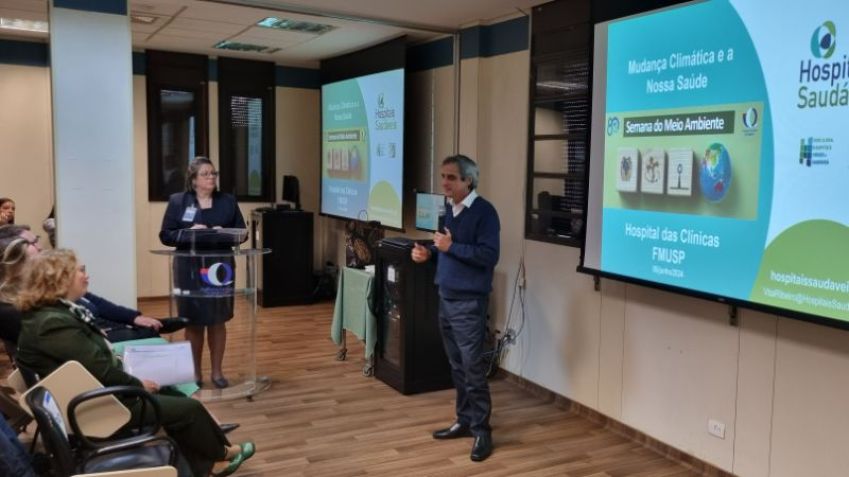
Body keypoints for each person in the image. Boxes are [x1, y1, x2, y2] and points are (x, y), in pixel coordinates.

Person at [15, 250, 255, 477]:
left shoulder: (54, 313)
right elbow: (101, 371)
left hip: (95, 394)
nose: (86, 276)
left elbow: (94, 365)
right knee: (188, 409)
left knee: (174, 395)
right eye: (80, 271)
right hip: (100, 405)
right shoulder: (52, 323)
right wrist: (138, 384)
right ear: (60, 279)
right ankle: (218, 457)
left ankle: (214, 458)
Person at [411, 155, 500, 462]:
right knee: (457, 366)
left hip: (469, 302)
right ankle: (464, 420)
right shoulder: (449, 209)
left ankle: (482, 431)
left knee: (473, 368)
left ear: (468, 181)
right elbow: (446, 247)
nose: (444, 182)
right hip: (446, 297)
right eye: (443, 176)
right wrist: (429, 253)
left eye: (451, 177)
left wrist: (451, 248)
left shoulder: (485, 212)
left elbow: (489, 255)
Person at [0, 225, 184, 345]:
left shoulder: (38, 284)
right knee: (149, 336)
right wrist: (94, 335)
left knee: (145, 331)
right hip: (84, 346)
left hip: (90, 332)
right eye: (32, 242)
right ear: (14, 256)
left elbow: (91, 301)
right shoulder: (12, 307)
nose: (40, 246)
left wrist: (133, 318)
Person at [159, 157, 246, 389]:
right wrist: (189, 231)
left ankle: (217, 372)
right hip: (189, 267)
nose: (211, 177)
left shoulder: (227, 201)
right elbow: (166, 235)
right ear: (194, 179)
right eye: (206, 174)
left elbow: (242, 232)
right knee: (193, 321)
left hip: (219, 268)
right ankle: (195, 373)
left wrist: (223, 231)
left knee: (218, 320)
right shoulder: (178, 201)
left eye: (213, 173)